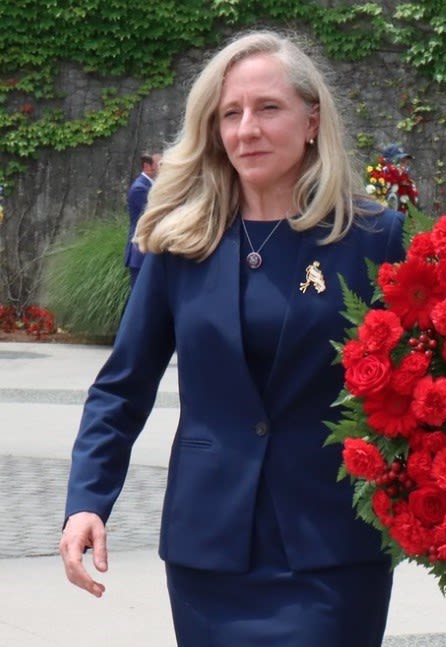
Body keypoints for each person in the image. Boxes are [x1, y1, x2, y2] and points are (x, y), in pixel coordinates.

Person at [60, 30, 404, 647]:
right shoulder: (178, 243)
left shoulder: (373, 238)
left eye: (268, 108)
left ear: (311, 119)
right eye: (230, 113)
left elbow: (422, 382)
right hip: (209, 548)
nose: (247, 129)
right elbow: (122, 386)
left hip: (332, 544)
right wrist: (87, 500)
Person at [123, 152, 161, 288]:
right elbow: (155, 215)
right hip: (140, 252)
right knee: (138, 298)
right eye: (160, 165)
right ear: (147, 166)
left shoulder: (152, 186)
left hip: (148, 251)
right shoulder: (140, 188)